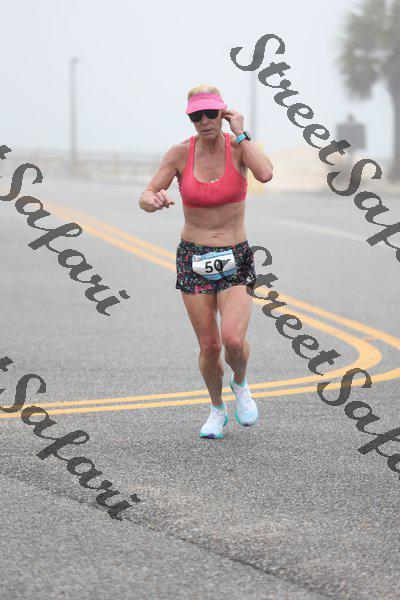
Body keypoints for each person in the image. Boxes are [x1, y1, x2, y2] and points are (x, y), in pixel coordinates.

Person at [139, 84, 273, 439]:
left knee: (233, 341)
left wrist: (241, 132)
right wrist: (152, 201)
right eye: (196, 115)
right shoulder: (179, 153)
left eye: (211, 113)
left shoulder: (238, 147)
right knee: (210, 346)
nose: (204, 121)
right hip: (193, 256)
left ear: (222, 113)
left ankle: (240, 384)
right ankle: (217, 409)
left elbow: (265, 173)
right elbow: (147, 194)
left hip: (235, 255)